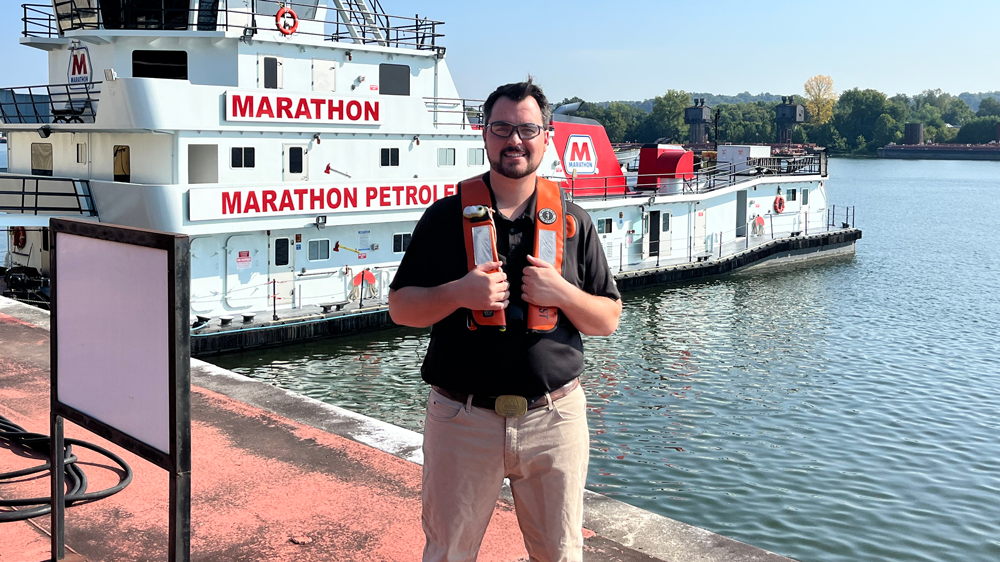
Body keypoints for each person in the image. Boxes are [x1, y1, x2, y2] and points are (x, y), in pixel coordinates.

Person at [388, 78, 622, 562]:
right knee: (449, 551)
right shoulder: (444, 219)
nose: (514, 139)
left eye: (527, 129)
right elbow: (401, 307)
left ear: (547, 136)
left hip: (554, 419)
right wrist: (460, 292)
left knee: (560, 553)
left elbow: (607, 318)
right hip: (462, 419)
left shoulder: (574, 222)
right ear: (485, 135)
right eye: (502, 128)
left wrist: (561, 292)